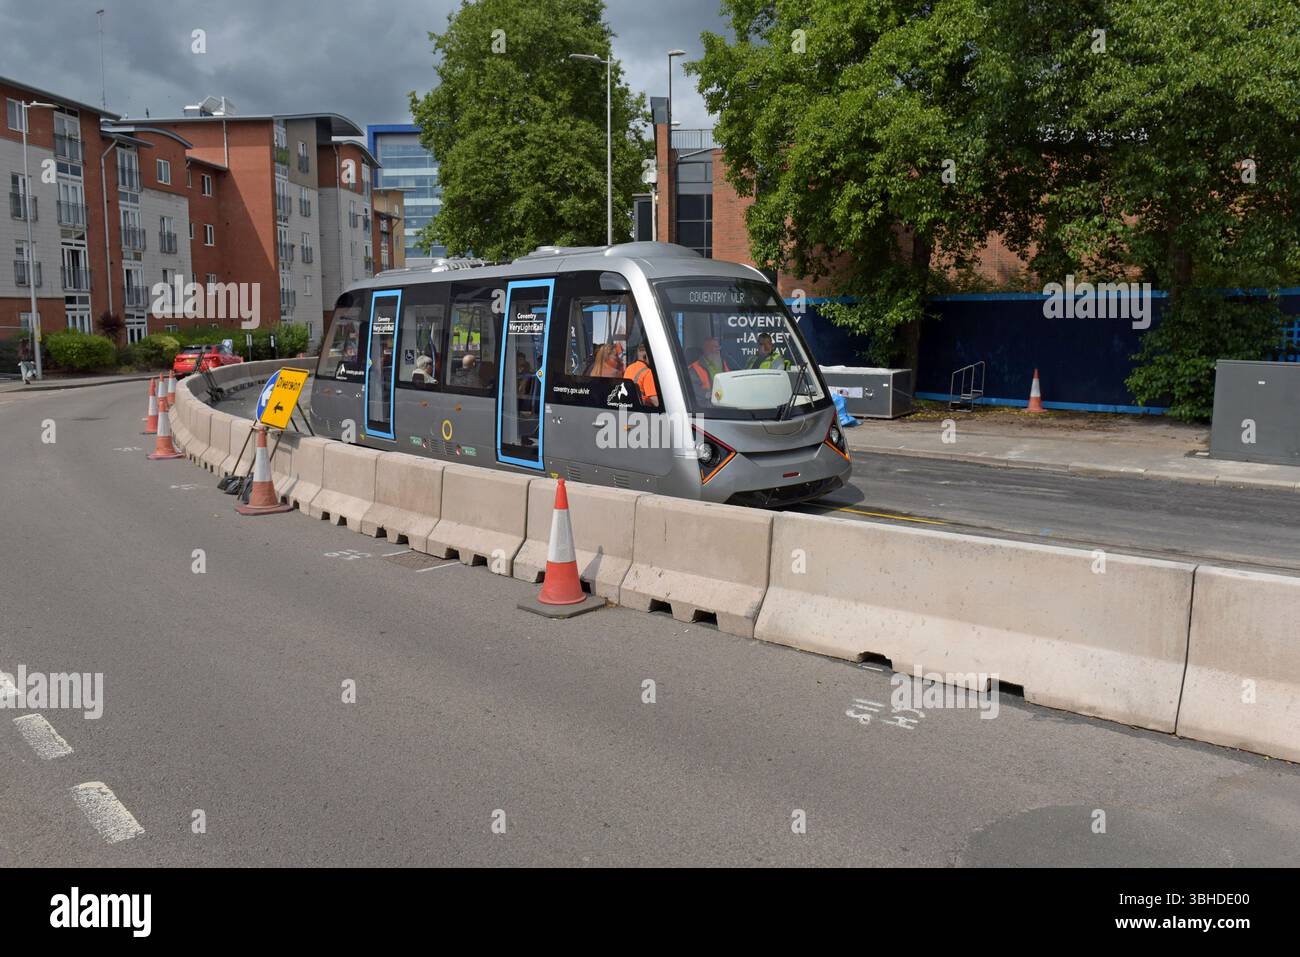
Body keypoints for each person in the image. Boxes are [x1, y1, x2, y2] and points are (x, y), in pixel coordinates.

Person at [624, 341, 659, 407]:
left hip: (630, 407)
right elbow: (656, 402)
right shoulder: (648, 372)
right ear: (645, 356)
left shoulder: (629, 368)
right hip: (642, 411)